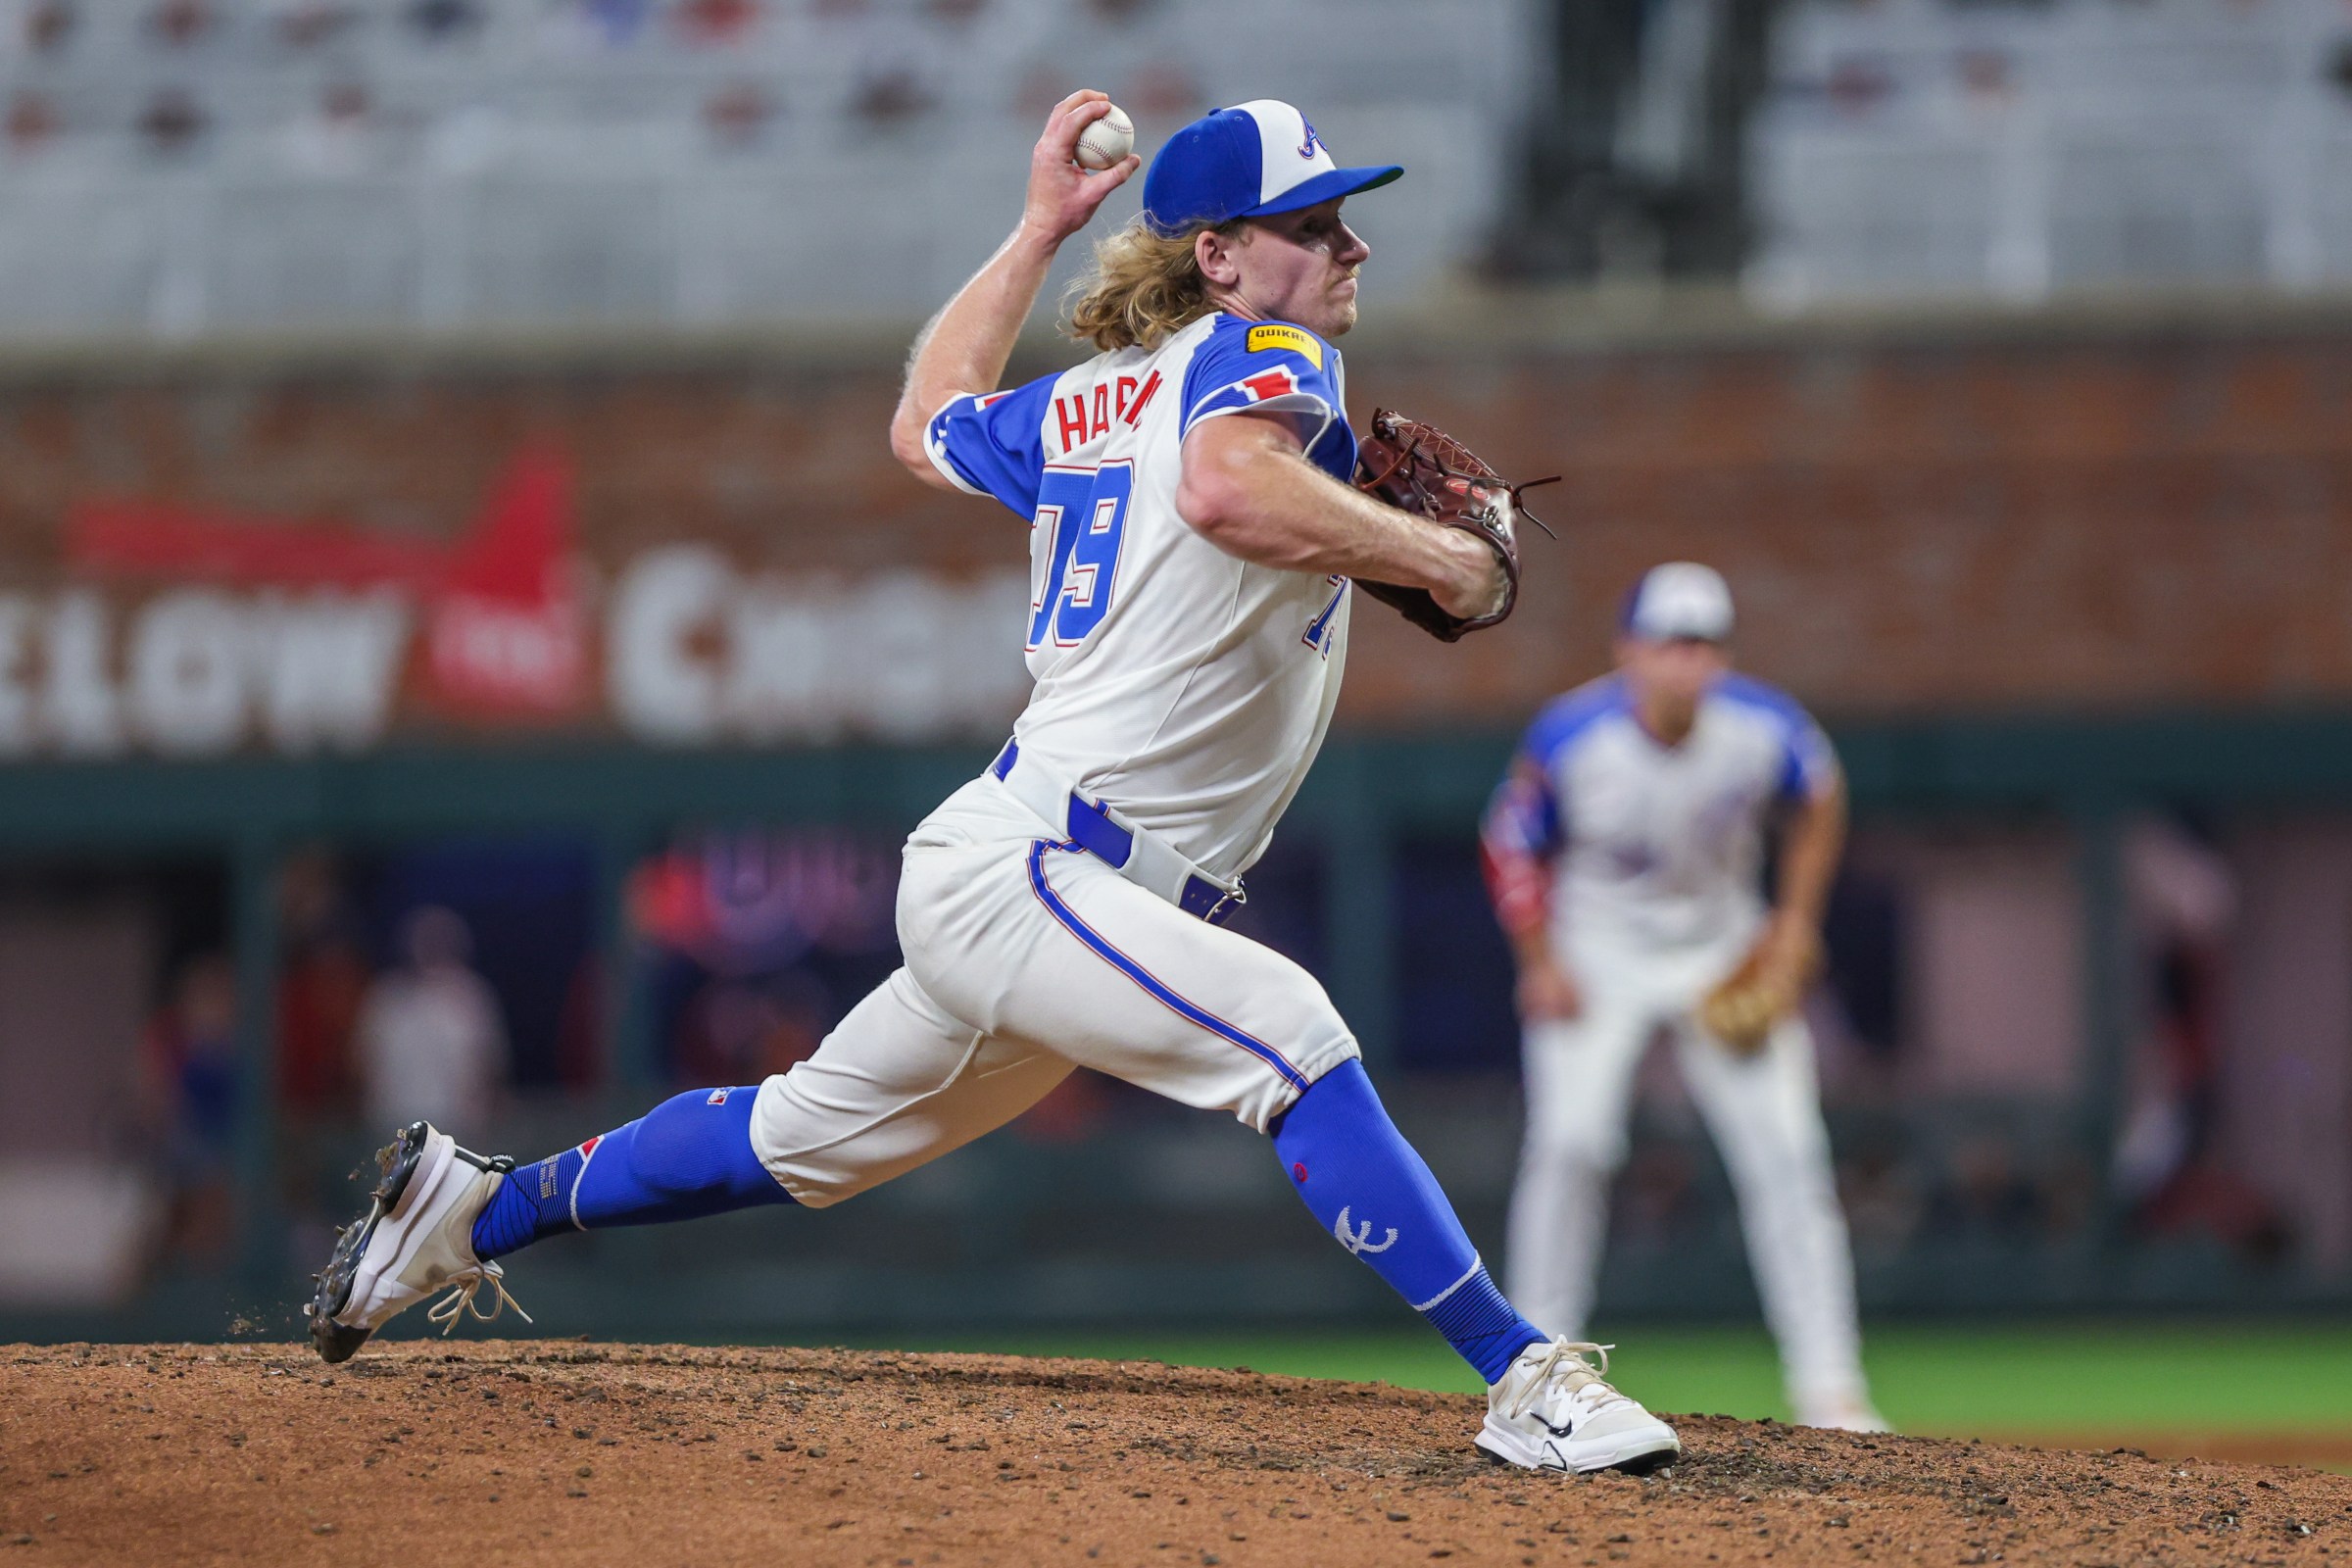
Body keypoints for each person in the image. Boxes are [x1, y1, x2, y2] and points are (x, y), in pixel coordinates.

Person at [310, 91, 1681, 1475]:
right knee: (1293, 1033)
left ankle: (474, 1209)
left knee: (801, 1140)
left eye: (1345, 222)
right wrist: (1435, 558)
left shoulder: (1092, 398)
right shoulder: (1266, 359)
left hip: (1033, 877)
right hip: (1047, 871)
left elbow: (926, 421)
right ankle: (1524, 1378)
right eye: (1309, 226)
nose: (1350, 248)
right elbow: (1220, 490)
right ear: (1217, 258)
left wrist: (1035, 231)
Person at [1481, 562, 1886, 1432]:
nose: (1686, 663)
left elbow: (1821, 796)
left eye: (1703, 645)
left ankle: (1832, 1391)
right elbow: (1507, 841)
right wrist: (1540, 960)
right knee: (1572, 1145)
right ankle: (1535, 1380)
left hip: (1720, 947)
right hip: (1599, 950)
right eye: (1670, 643)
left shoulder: (1763, 727)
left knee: (1787, 1155)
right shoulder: (1573, 735)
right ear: (1630, 649)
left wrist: (1794, 921)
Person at [353, 906, 508, 1136]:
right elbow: (360, 1064)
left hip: (461, 1132)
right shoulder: (386, 998)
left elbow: (491, 1067)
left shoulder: (472, 996)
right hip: (393, 1128)